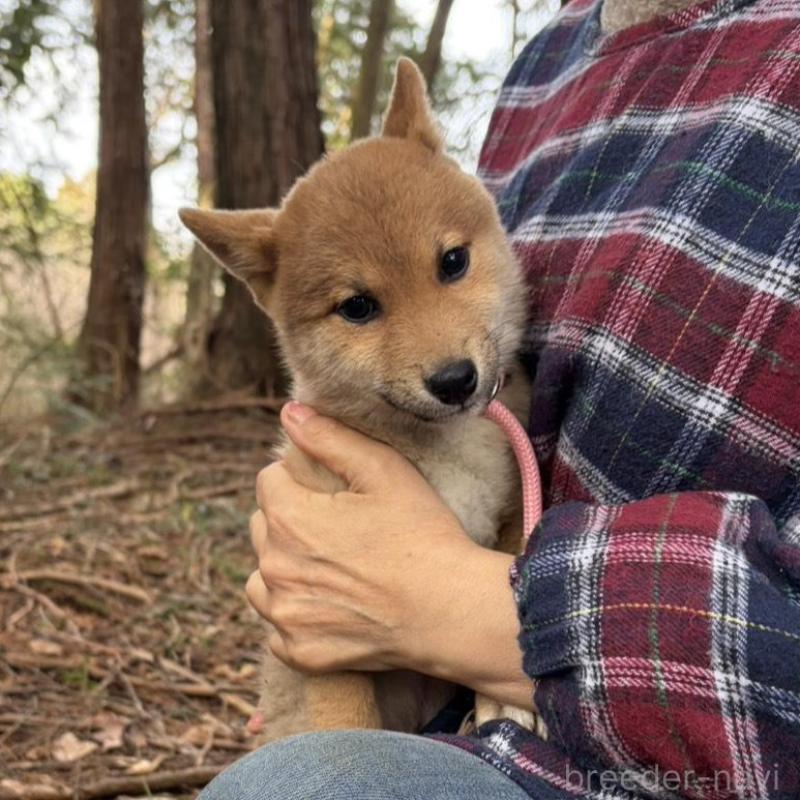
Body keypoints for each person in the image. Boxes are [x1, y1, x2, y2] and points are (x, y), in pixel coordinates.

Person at [201, 0, 800, 796]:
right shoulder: (547, 59)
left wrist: (477, 618)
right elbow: (319, 632)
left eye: (452, 265)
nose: (443, 353)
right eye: (359, 308)